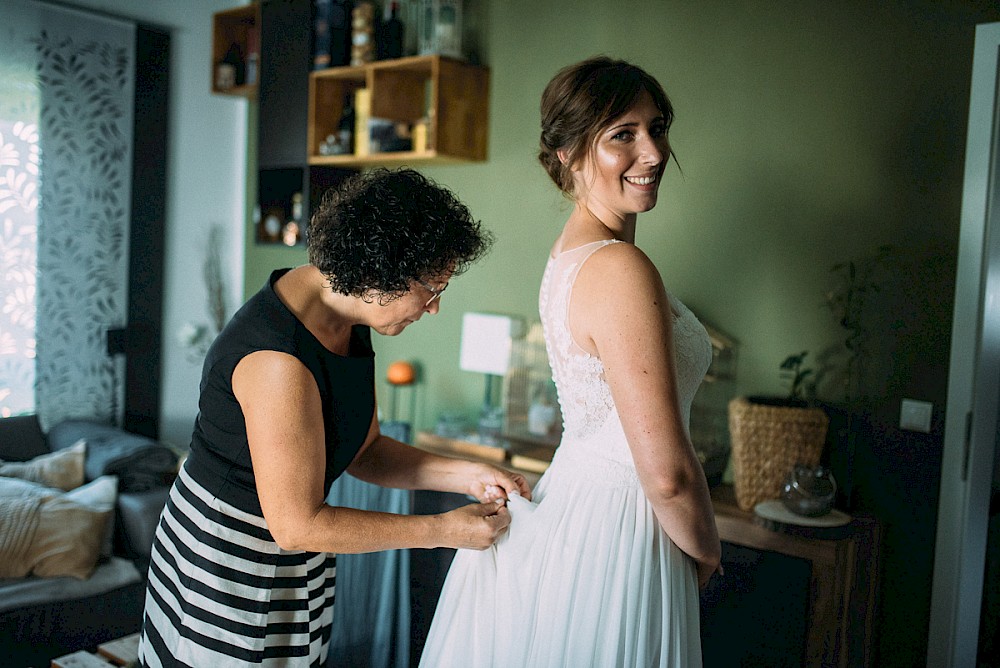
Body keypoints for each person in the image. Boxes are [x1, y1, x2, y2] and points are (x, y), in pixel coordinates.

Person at [138, 168, 531, 668]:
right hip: (228, 563)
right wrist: (443, 529)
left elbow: (365, 452)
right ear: (381, 272)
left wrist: (467, 474)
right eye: (432, 288)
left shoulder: (348, 316)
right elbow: (297, 525)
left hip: (297, 558)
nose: (434, 308)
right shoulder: (276, 360)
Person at [419, 56, 722, 667]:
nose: (655, 152)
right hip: (625, 525)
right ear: (568, 153)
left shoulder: (574, 255)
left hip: (588, 506)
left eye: (657, 127)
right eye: (623, 134)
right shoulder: (617, 268)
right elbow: (665, 475)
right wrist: (708, 549)